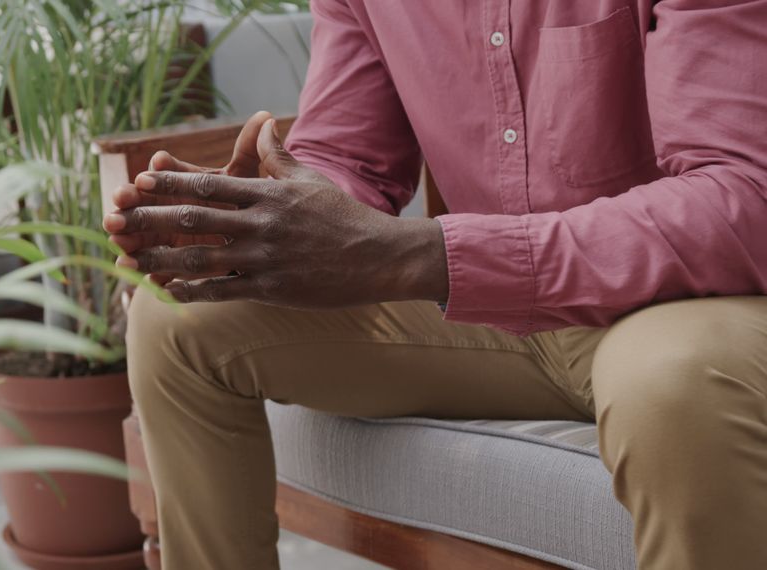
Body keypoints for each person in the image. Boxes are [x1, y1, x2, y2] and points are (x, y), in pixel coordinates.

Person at [102, 1, 767, 568]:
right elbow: (348, 159)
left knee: (668, 383)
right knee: (178, 319)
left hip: (688, 305)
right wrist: (256, 226)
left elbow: (741, 196)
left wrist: (428, 255)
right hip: (493, 311)